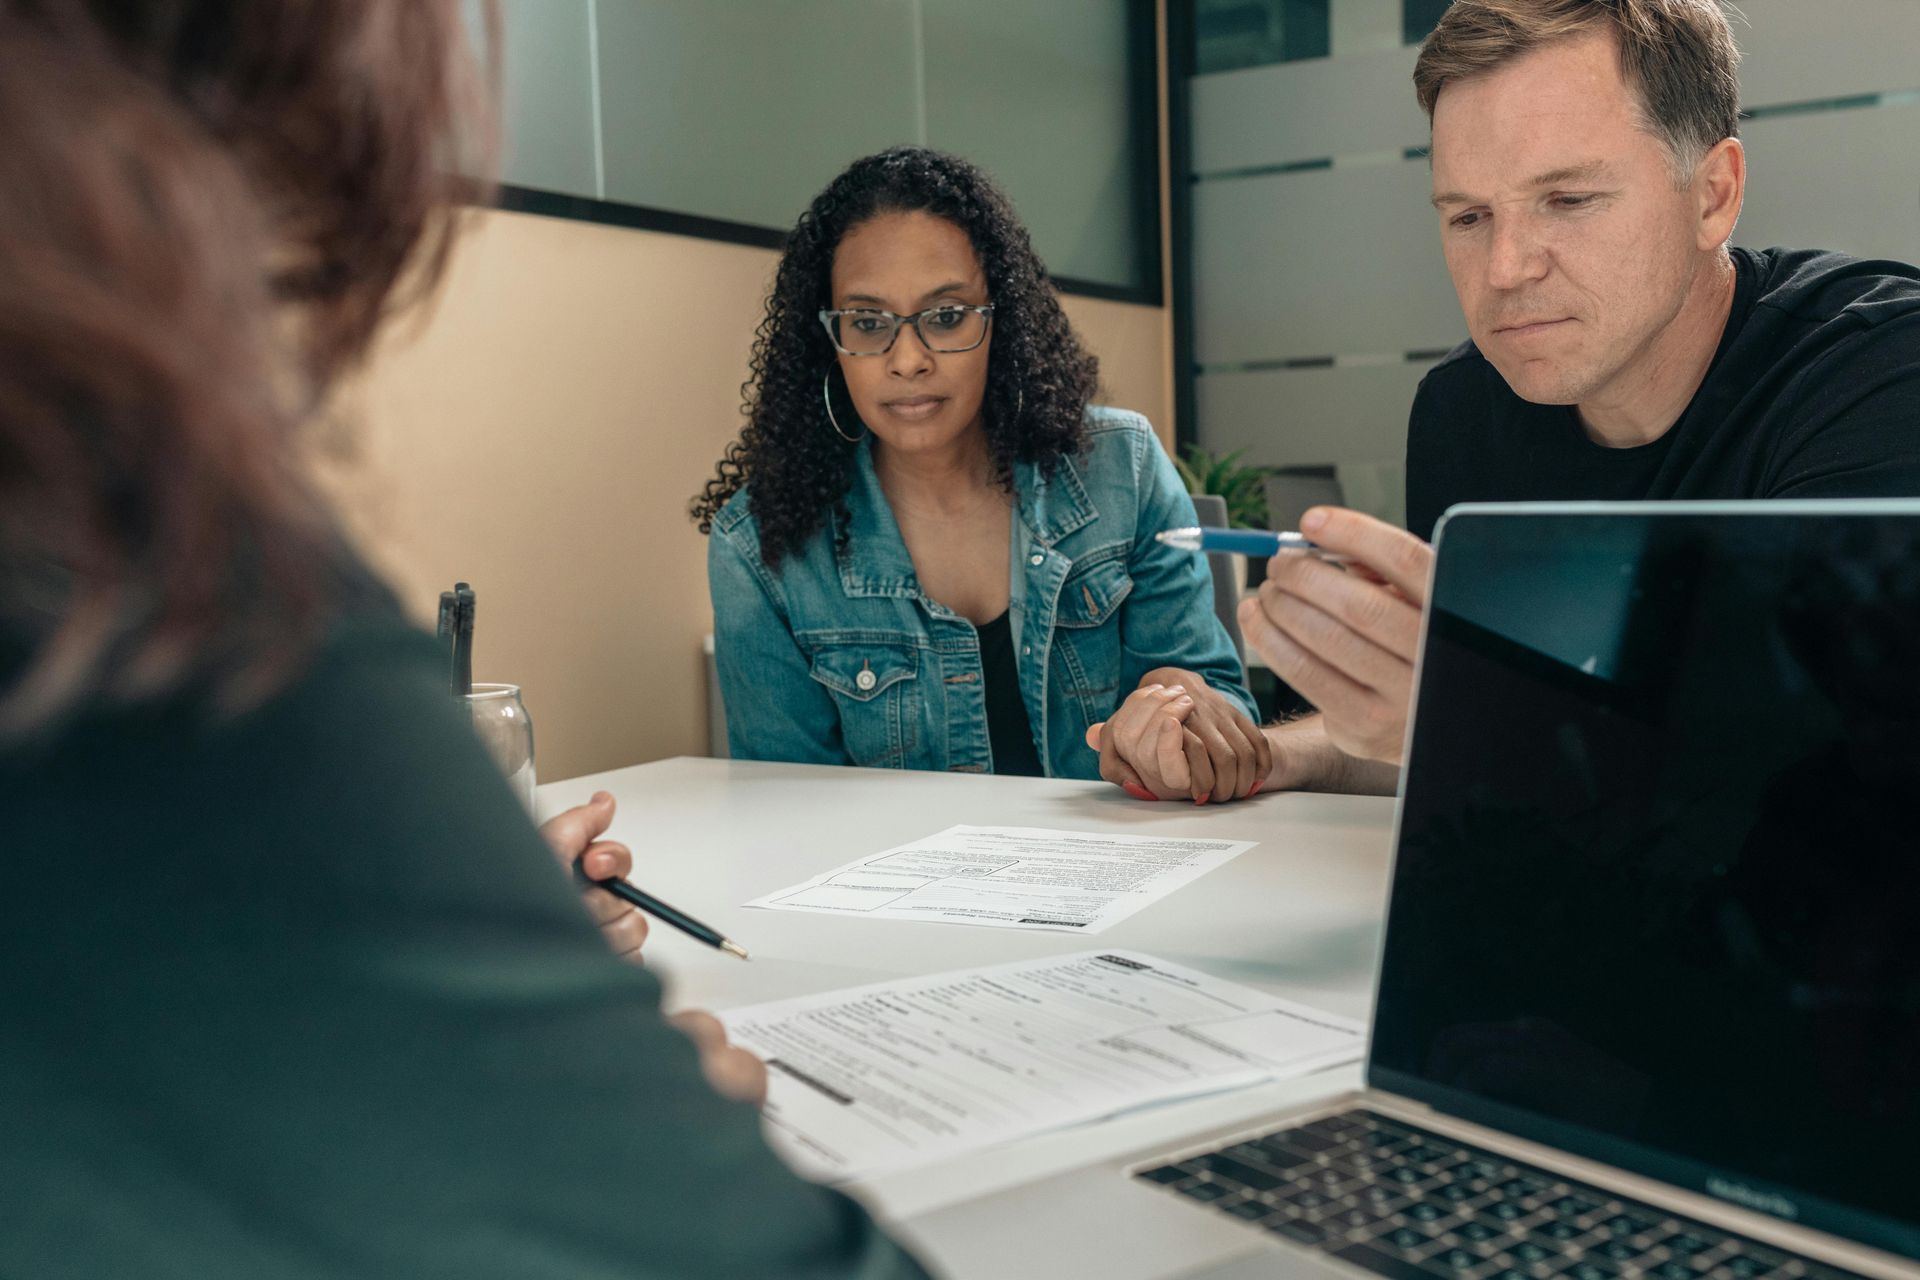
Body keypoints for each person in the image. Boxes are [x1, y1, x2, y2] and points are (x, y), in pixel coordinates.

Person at [0, 3, 925, 1275]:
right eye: (869, 321)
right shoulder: (178, 612)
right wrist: (570, 1112)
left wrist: (442, 930)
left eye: (946, 315)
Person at [1110, 0, 1920, 799]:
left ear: (1713, 194)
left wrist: (1475, 715)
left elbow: (1836, 788)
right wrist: (1276, 755)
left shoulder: (1877, 373)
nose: (1504, 270)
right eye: (1468, 216)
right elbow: (1456, 723)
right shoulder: (1467, 408)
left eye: (1568, 200)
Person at [694, 147, 1270, 803]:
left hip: (1121, 880)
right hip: (893, 899)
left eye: (944, 316)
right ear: (827, 339)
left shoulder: (1124, 466)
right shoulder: (760, 545)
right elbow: (784, 808)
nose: (907, 360)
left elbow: (1224, 717)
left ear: (1003, 320)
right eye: (867, 322)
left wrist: (1183, 710)